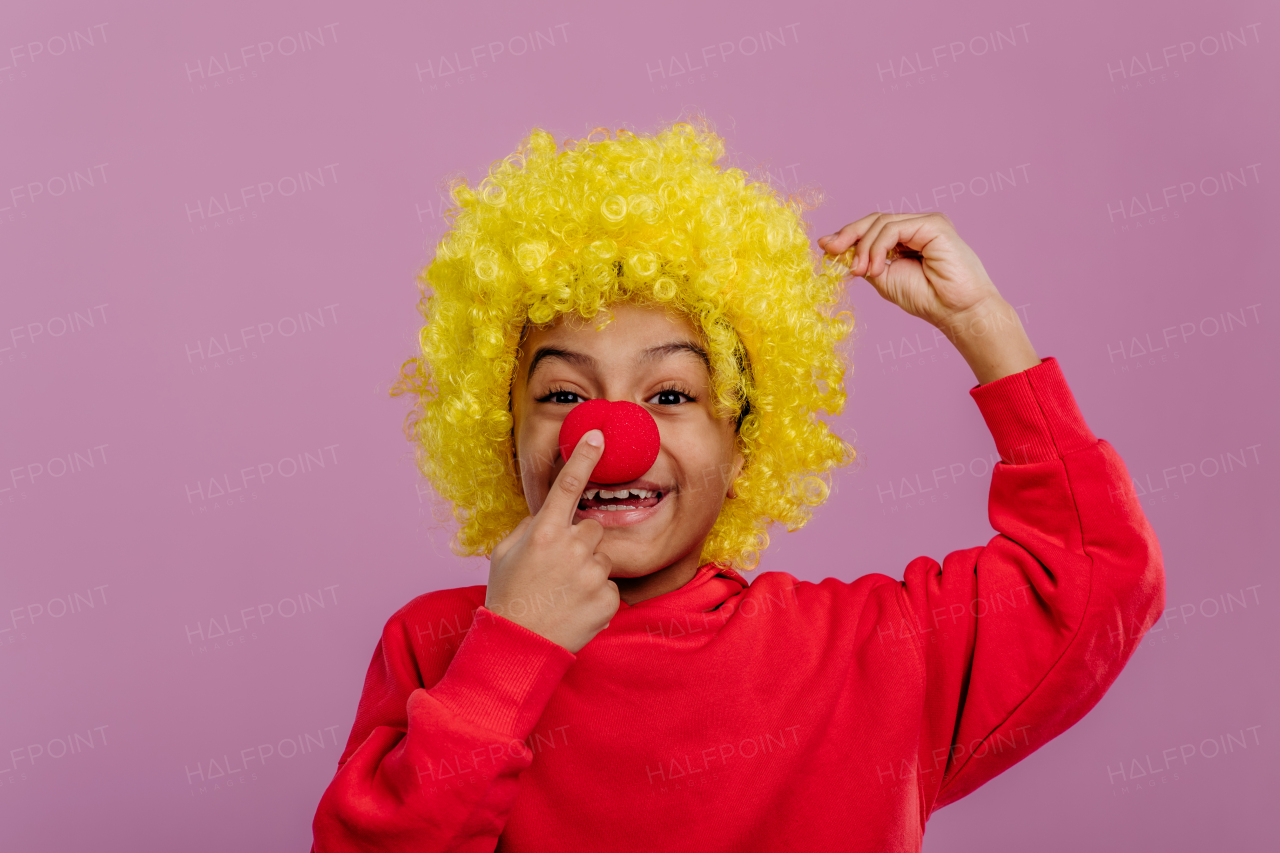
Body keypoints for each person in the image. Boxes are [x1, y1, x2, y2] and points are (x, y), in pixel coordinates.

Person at [309, 117, 1165, 851]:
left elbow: (1099, 575)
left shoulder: (870, 653)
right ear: (503, 440)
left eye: (672, 394)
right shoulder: (442, 649)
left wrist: (984, 325)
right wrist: (509, 654)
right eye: (564, 395)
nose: (608, 437)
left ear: (746, 444)